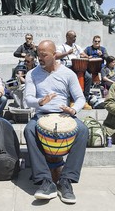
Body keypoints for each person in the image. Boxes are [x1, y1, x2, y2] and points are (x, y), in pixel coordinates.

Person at [24, 40, 88, 204]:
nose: (40, 58)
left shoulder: (68, 73)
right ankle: (45, 181)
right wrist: (40, 102)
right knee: (29, 130)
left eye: (44, 55)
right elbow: (28, 99)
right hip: (42, 115)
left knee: (83, 130)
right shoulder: (32, 74)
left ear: (54, 55)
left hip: (64, 115)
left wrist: (73, 110)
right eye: (39, 55)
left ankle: (67, 180)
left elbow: (80, 98)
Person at [55, 30, 92, 109]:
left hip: (78, 67)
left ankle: (85, 100)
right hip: (67, 67)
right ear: (67, 37)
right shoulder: (61, 47)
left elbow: (82, 54)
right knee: (73, 77)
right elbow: (56, 56)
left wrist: (87, 57)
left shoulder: (77, 46)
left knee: (88, 77)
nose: (75, 38)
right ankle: (72, 101)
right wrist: (67, 53)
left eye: (75, 36)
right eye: (73, 37)